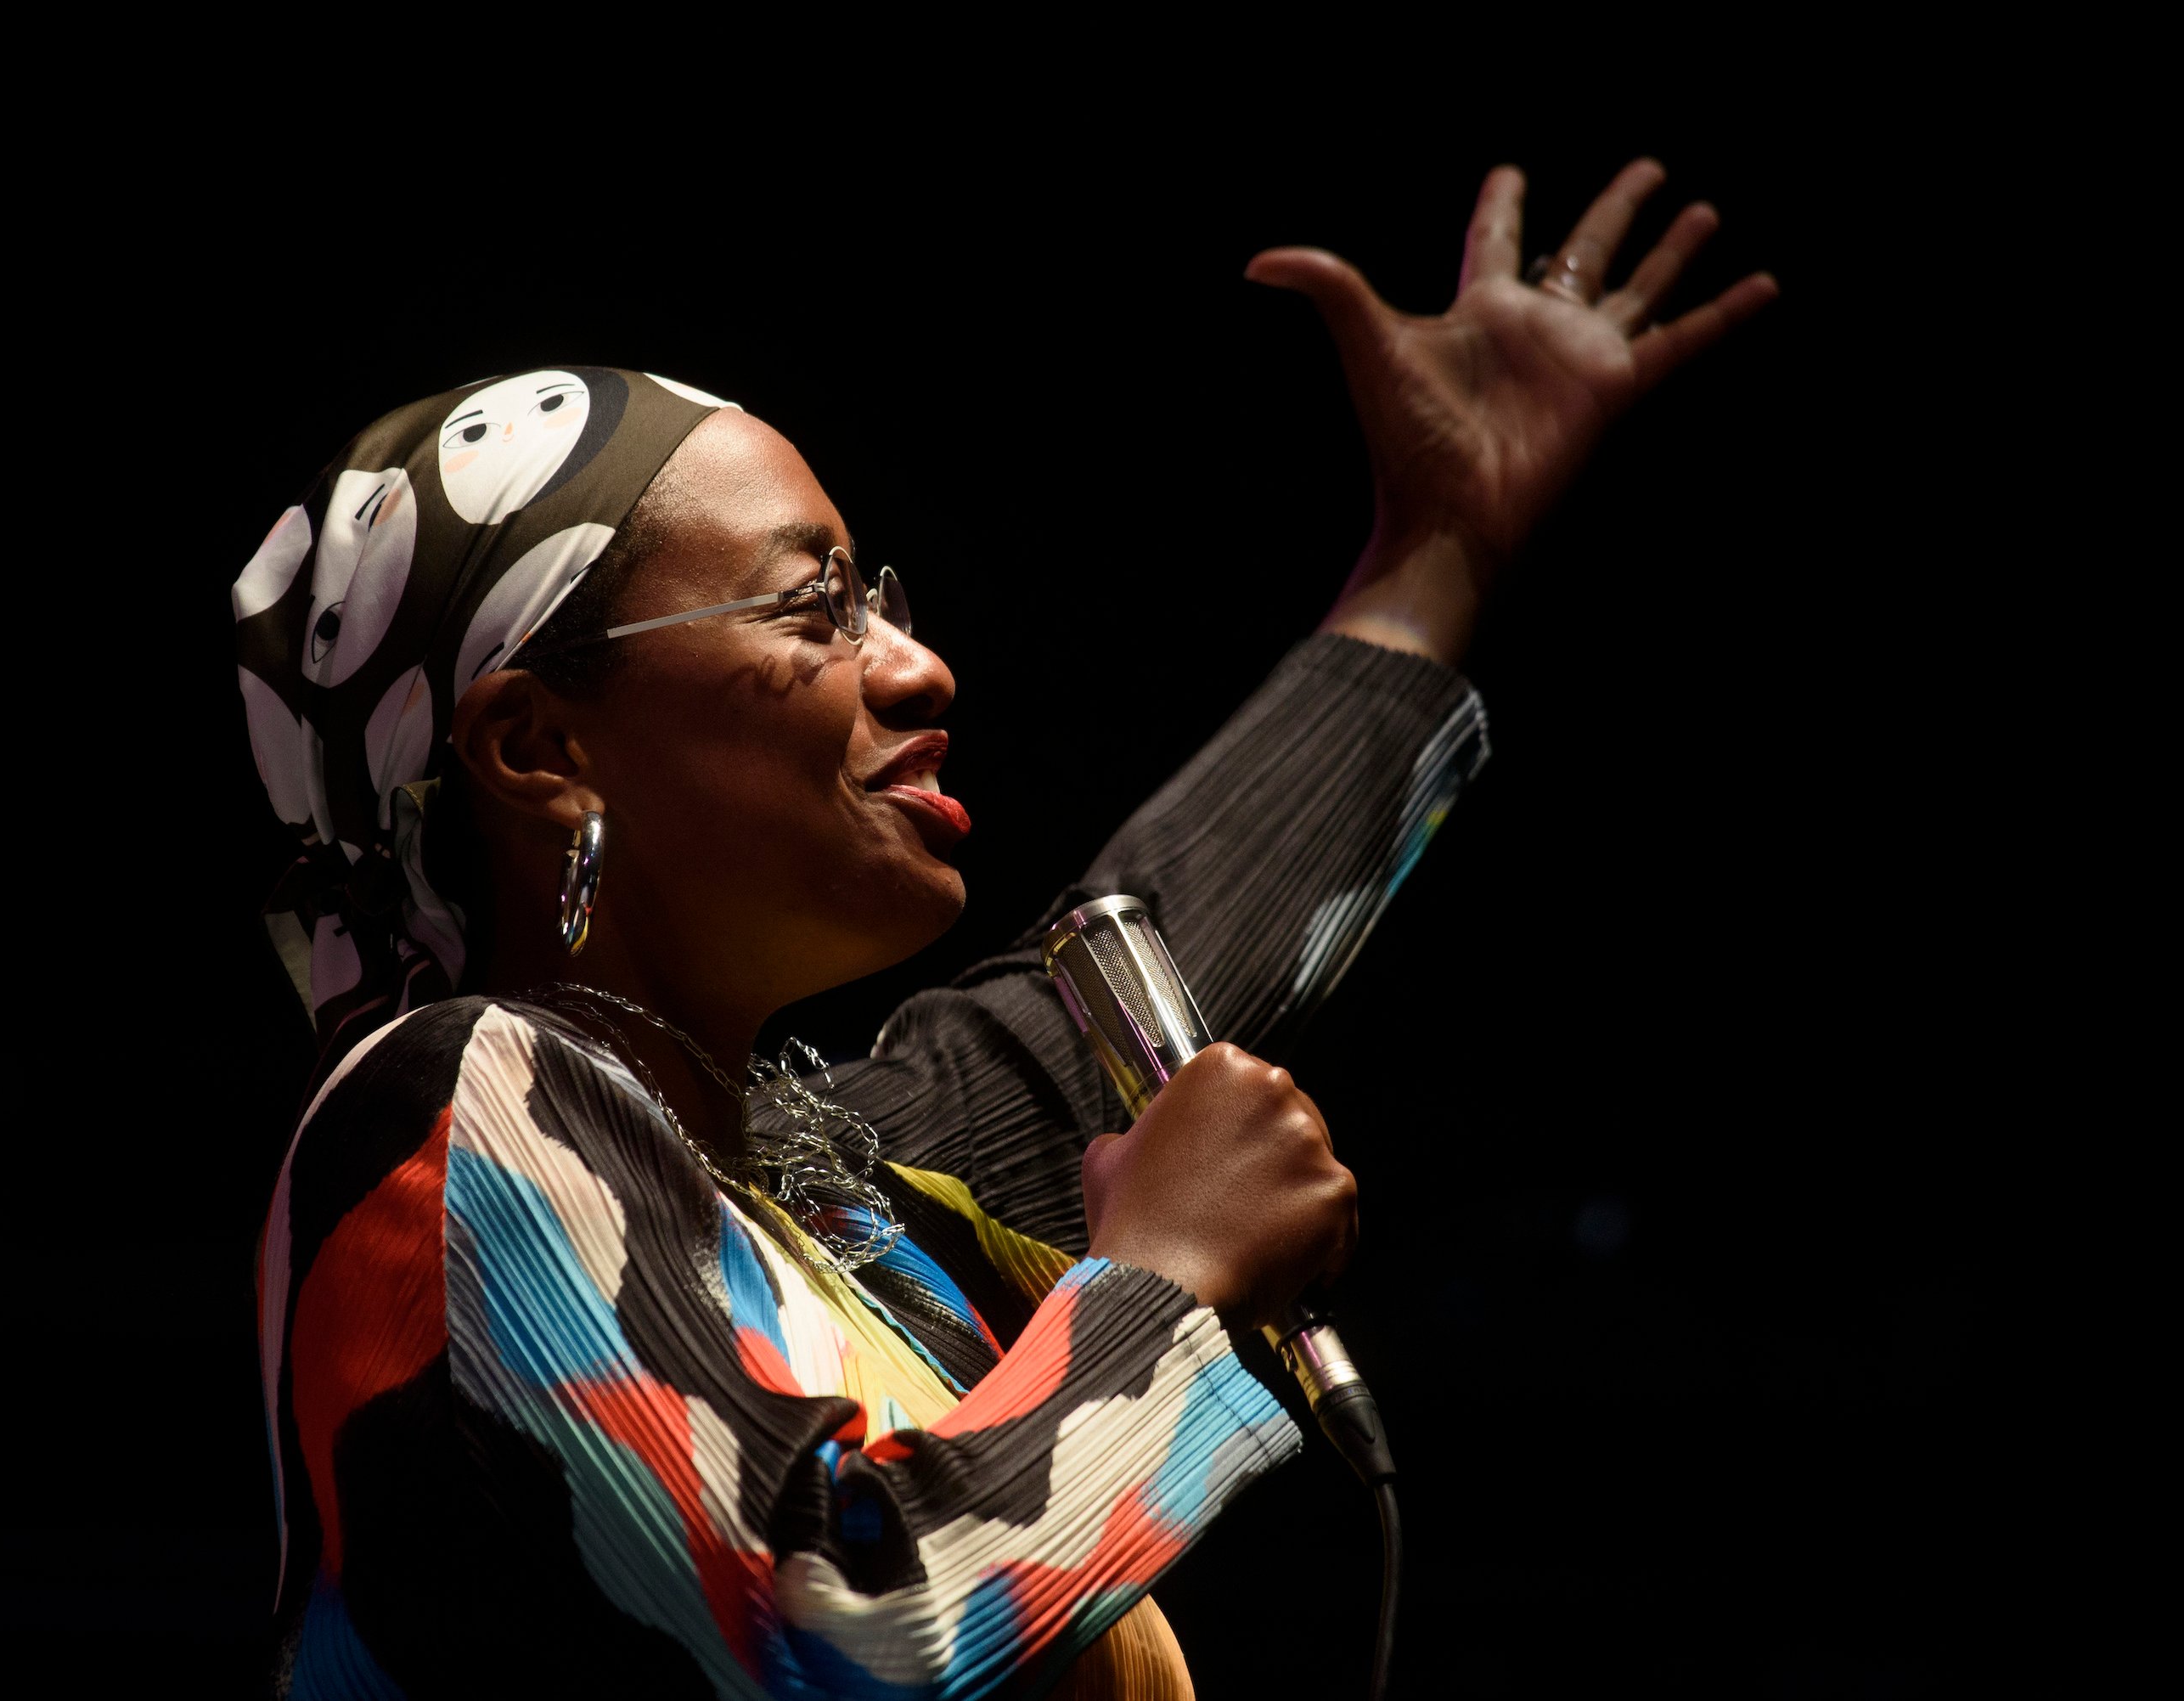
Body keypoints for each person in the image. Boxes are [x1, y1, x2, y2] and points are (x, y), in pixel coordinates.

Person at [239, 161, 1773, 1699]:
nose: (917, 667)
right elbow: (839, 1620)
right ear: (542, 751)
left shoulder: (828, 1202)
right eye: (814, 605)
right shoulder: (440, 1107)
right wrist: (1163, 1283)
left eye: (882, 596)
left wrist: (1442, 542)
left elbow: (1170, 939)